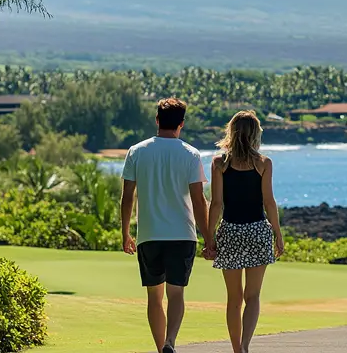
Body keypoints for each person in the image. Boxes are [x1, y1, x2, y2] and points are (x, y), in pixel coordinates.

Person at [120, 98, 210, 353]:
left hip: (149, 235)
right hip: (182, 234)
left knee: (154, 297)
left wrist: (126, 233)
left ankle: (161, 349)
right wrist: (208, 238)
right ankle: (171, 341)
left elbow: (128, 197)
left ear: (157, 121)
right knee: (176, 294)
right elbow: (198, 200)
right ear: (181, 124)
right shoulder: (191, 154)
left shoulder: (137, 151)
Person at [206, 110, 284, 353]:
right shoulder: (263, 163)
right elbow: (269, 203)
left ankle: (236, 350)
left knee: (234, 298)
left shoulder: (219, 163)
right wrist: (278, 235)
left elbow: (216, 204)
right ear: (255, 135)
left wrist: (209, 238)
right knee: (253, 296)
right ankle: (246, 346)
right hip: (258, 232)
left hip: (229, 231)